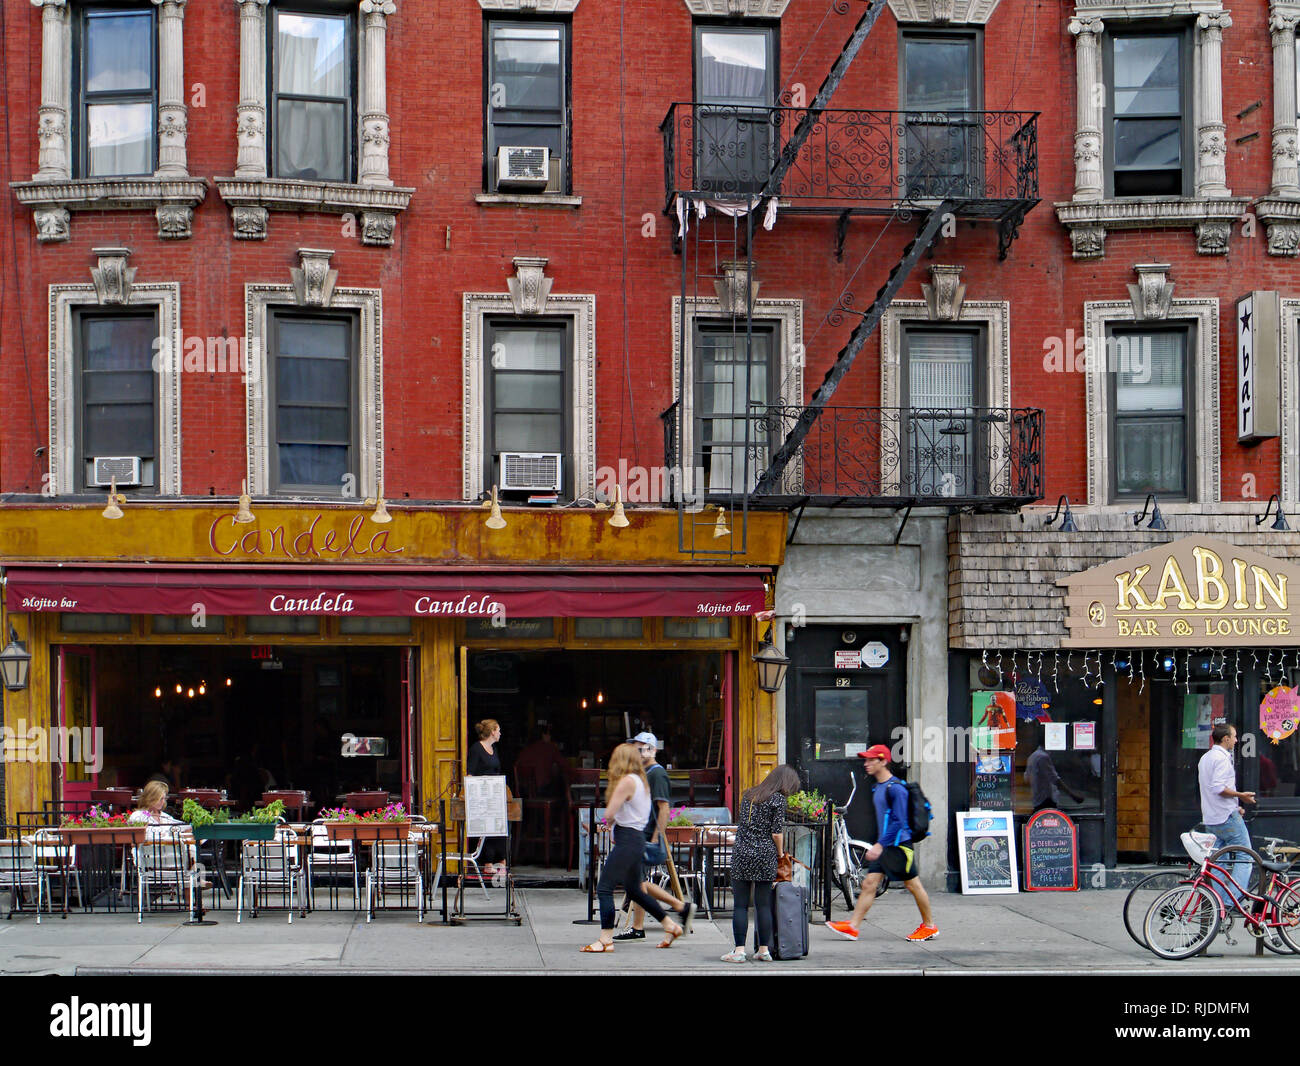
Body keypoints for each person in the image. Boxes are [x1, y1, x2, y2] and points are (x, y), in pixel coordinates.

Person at [826, 744, 938, 943]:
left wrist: (880, 845)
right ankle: (853, 927)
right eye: (866, 759)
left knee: (913, 885)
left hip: (899, 846)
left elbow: (900, 822)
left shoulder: (896, 789)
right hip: (887, 846)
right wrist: (881, 844)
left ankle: (929, 926)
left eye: (871, 760)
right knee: (869, 884)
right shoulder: (878, 787)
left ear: (884, 761)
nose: (866, 763)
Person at [580, 743, 685, 953]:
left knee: (604, 888)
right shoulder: (641, 781)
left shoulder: (627, 781)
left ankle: (605, 939)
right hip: (636, 839)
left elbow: (609, 813)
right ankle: (670, 925)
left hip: (626, 839)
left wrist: (610, 822)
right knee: (635, 890)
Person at [614, 733, 694, 942]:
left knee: (636, 882)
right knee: (636, 881)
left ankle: (673, 910)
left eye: (641, 748)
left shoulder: (657, 774)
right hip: (638, 832)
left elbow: (664, 807)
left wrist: (656, 837)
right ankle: (648, 923)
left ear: (652, 750)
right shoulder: (643, 772)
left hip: (645, 834)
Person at [721, 763, 801, 963]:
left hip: (742, 852)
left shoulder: (749, 795)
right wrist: (780, 854)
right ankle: (763, 950)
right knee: (763, 905)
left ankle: (739, 951)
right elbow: (776, 833)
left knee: (740, 905)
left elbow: (744, 824)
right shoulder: (778, 800)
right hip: (765, 854)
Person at [1198, 723, 1256, 902]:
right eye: (1234, 736)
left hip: (1211, 817)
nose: (1237, 740)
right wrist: (1241, 796)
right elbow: (1218, 788)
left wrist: (1235, 805)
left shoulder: (1205, 758)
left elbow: (1211, 789)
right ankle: (1231, 902)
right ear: (1226, 738)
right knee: (1245, 856)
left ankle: (1218, 904)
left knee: (1218, 861)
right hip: (1226, 817)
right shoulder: (1222, 759)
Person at [467, 719, 508, 884]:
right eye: (498, 730)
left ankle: (501, 861)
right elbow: (470, 773)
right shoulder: (476, 749)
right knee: (486, 829)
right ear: (492, 732)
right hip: (482, 795)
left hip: (495, 795)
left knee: (499, 827)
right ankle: (488, 863)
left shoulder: (494, 749)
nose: (500, 733)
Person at [1026, 727, 1084, 813]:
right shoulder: (1043, 757)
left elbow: (1027, 777)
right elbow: (1054, 779)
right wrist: (1073, 795)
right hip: (1045, 800)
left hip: (1037, 799)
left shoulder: (1033, 756)